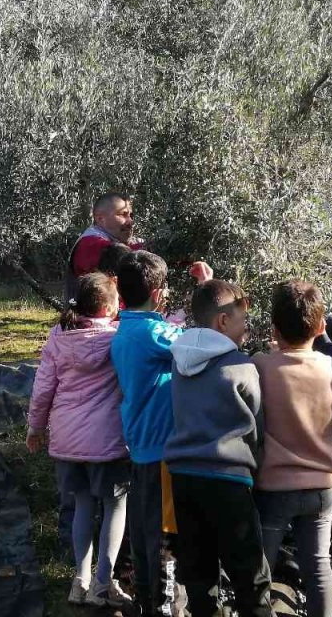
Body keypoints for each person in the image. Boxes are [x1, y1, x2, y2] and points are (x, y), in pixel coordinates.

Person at [165, 280, 272, 617]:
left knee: (198, 572)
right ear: (223, 322)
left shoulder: (178, 360)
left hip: (183, 476)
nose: (246, 328)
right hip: (228, 479)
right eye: (242, 320)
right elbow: (258, 425)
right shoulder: (241, 366)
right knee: (248, 573)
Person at [27, 273, 133, 608]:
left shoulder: (59, 336)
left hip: (68, 441)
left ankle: (81, 579)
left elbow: (43, 388)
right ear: (107, 306)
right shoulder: (119, 338)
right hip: (108, 440)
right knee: (115, 506)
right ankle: (103, 583)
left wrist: (35, 428)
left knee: (83, 506)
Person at [252, 281, 332, 617]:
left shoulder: (260, 366)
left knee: (262, 568)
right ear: (321, 328)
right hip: (321, 487)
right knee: (319, 566)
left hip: (274, 487)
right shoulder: (330, 367)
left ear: (274, 328)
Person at [110, 250, 185, 617]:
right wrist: (206, 286)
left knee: (143, 527)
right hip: (162, 449)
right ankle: (163, 605)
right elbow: (198, 342)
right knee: (165, 532)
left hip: (141, 443)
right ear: (158, 294)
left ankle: (144, 598)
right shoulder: (153, 332)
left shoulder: (126, 327)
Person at [66, 193, 145, 299]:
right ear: (100, 218)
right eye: (123, 214)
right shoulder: (91, 244)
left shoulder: (114, 238)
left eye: (131, 215)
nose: (130, 221)